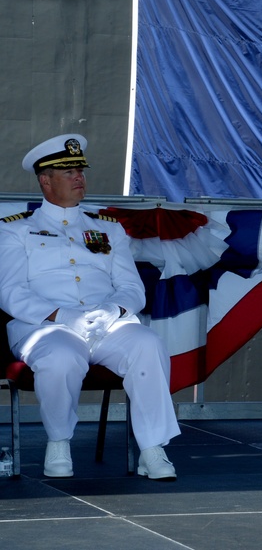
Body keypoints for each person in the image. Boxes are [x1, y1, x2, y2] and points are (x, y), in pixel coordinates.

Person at [0, 134, 180, 480]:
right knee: (60, 356)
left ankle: (152, 448)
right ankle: (59, 443)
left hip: (105, 323)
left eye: (80, 170)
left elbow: (131, 287)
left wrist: (114, 311)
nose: (79, 177)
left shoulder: (106, 231)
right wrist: (63, 316)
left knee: (147, 344)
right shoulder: (17, 231)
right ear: (45, 181)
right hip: (44, 325)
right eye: (68, 172)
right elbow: (10, 292)